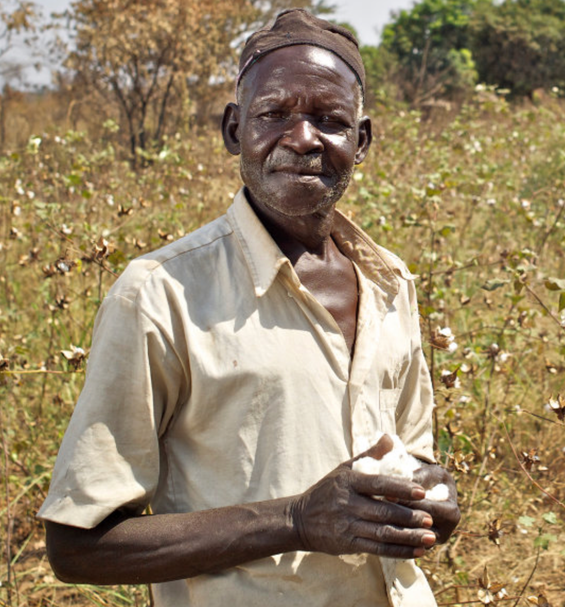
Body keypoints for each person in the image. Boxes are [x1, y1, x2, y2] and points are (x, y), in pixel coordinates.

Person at [37, 9, 459, 606]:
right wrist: (294, 520)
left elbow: (411, 455)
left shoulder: (390, 281)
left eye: (331, 120)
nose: (303, 138)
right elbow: (78, 546)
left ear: (360, 142)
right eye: (274, 114)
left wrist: (428, 498)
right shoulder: (161, 294)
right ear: (235, 130)